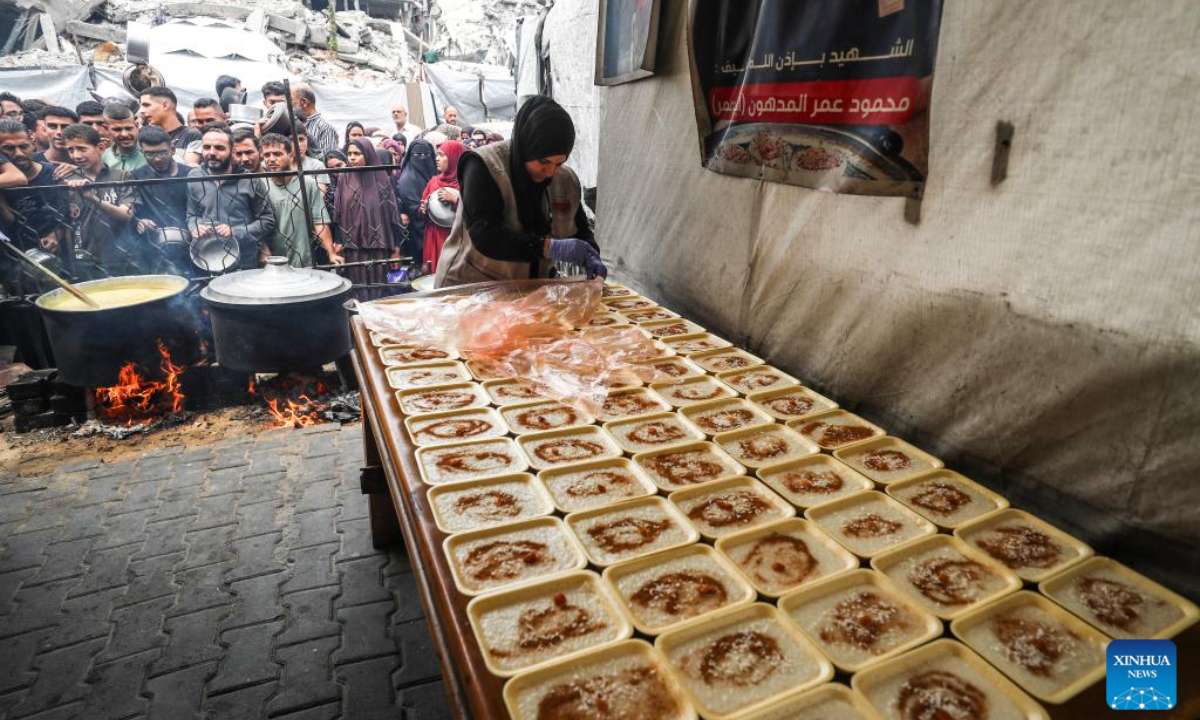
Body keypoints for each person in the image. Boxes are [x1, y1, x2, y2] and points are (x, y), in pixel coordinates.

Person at [435, 96, 604, 286]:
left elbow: (579, 227)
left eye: (559, 163)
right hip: (472, 287)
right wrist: (550, 248)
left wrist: (591, 253)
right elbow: (486, 236)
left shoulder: (564, 180)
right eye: (543, 162)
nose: (550, 172)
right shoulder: (485, 166)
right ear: (526, 147)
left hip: (528, 290)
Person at [186, 125, 275, 271]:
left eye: (219, 148)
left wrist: (236, 231)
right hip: (207, 256)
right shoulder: (194, 177)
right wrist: (195, 227)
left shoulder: (251, 181)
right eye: (207, 147)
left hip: (244, 259)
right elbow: (191, 215)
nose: (211, 153)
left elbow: (267, 221)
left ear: (232, 152)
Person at [60, 124, 136, 274]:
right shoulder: (66, 181)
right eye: (71, 150)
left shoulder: (121, 176)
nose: (76, 156)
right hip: (84, 258)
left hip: (121, 256)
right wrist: (72, 260)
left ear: (100, 147)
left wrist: (93, 198)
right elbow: (66, 225)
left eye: (82, 149)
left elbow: (127, 215)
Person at [259, 133, 341, 268]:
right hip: (273, 261)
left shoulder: (307, 184)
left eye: (277, 154)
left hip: (304, 259)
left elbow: (319, 220)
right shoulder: (261, 185)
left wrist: (331, 253)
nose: (271, 159)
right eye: (267, 155)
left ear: (290, 155)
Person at [334, 138, 402, 300]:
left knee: (379, 291)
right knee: (358, 291)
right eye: (349, 154)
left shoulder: (381, 178)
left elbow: (392, 215)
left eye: (357, 153)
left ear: (368, 154)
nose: (351, 157)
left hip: (379, 245)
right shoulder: (344, 177)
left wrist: (396, 249)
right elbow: (338, 212)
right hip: (353, 246)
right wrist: (338, 242)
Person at [0, 119, 60, 256]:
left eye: (23, 146)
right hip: (17, 255)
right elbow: (9, 220)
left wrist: (58, 233)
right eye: (9, 148)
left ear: (33, 144)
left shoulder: (55, 174)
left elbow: (73, 212)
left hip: (61, 256)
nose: (19, 153)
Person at [418, 140, 464, 272]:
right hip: (436, 237)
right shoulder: (433, 182)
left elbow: (475, 209)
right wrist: (424, 209)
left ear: (454, 157)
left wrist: (455, 200)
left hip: (457, 237)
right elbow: (421, 212)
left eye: (442, 155)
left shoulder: (465, 181)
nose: (437, 159)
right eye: (437, 155)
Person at [396, 138, 437, 266]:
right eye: (417, 155)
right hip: (418, 232)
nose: (422, 159)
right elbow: (414, 208)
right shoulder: (407, 179)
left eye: (426, 155)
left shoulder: (436, 173)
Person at [139, 86, 201, 159]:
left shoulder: (192, 135)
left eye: (146, 105)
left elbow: (190, 167)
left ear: (165, 105)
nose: (141, 111)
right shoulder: (145, 136)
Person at [289, 83, 338, 156]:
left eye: (290, 100)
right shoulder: (290, 125)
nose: (287, 104)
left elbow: (327, 161)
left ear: (303, 102)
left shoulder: (325, 129)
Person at [101, 104, 145, 172]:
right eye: (117, 129)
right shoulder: (103, 158)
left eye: (129, 128)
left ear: (136, 125)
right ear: (106, 129)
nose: (124, 134)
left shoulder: (150, 153)